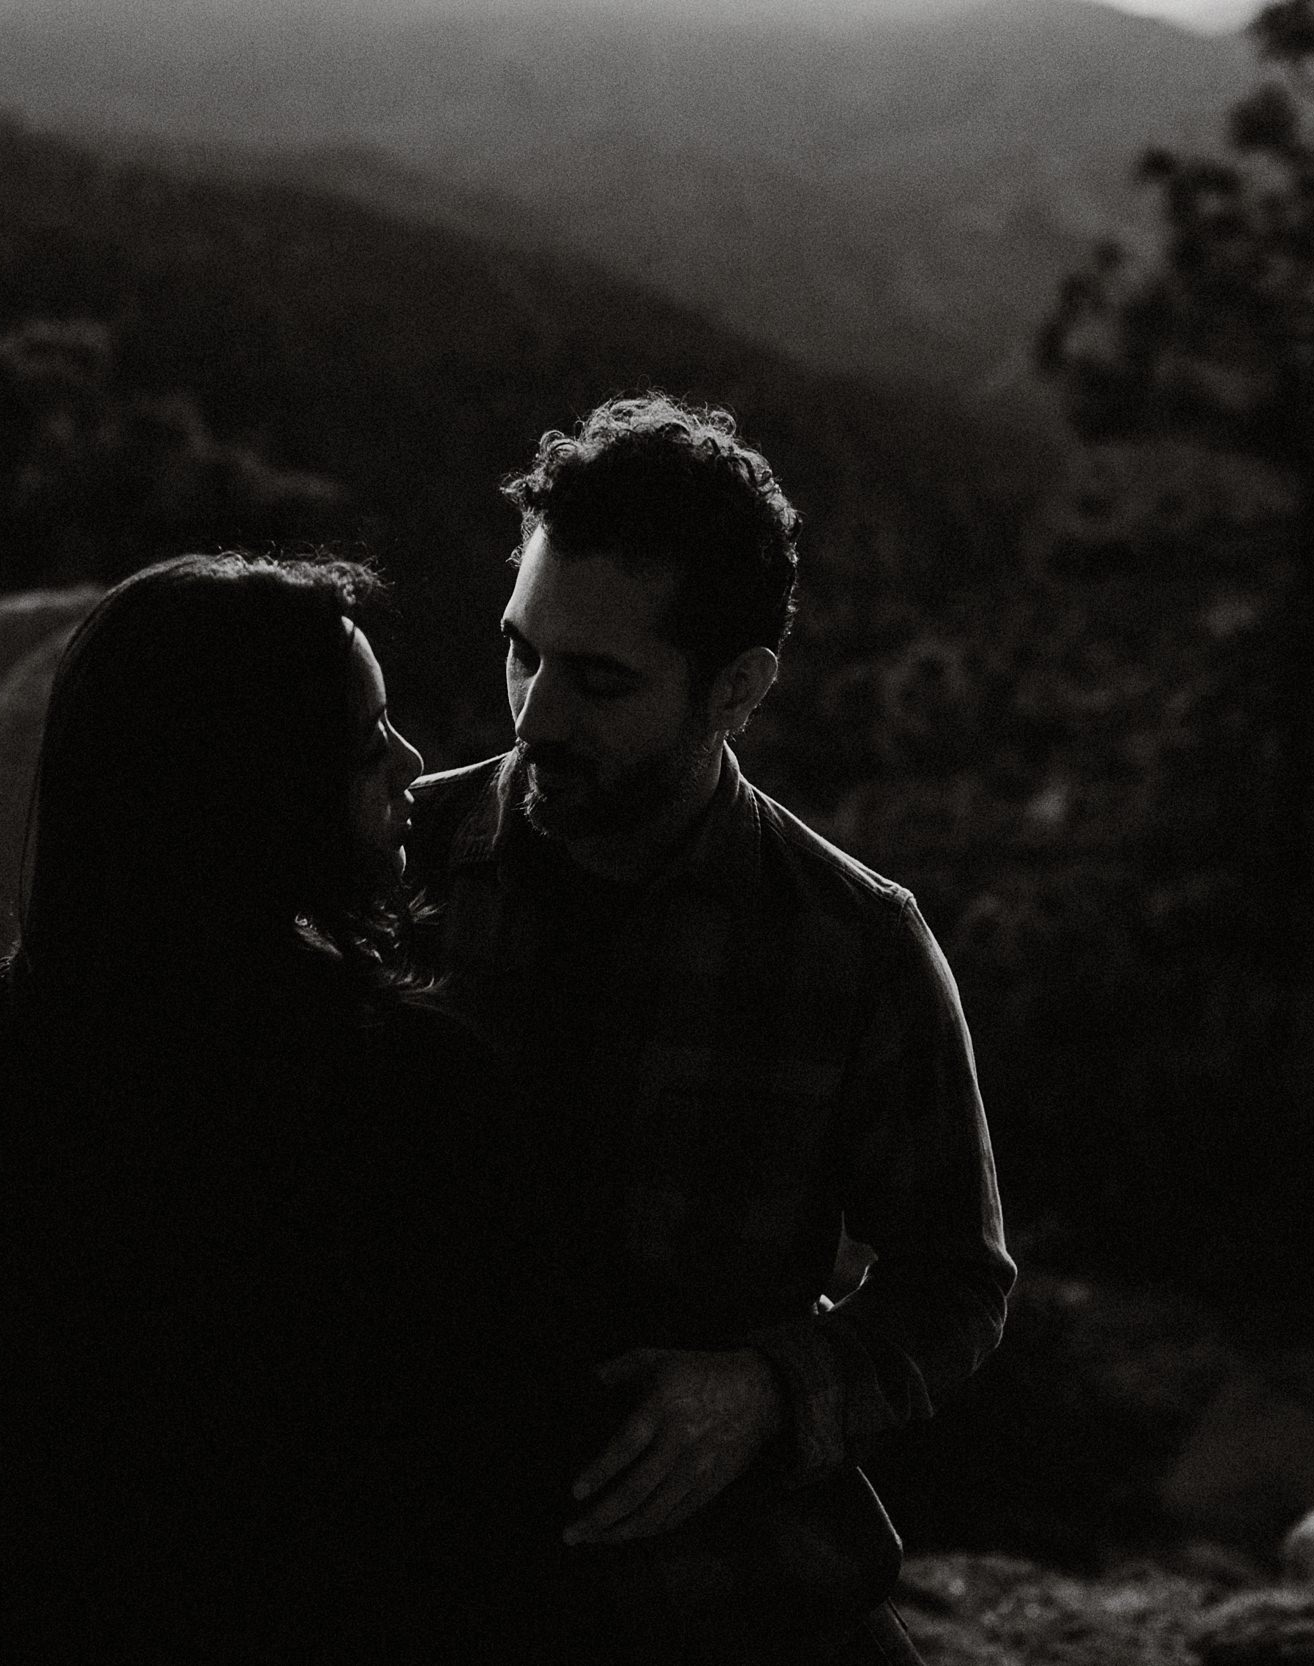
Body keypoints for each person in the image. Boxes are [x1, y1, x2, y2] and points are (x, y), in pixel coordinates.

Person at [0, 553, 581, 1663]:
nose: (408, 762)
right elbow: (502, 1470)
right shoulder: (420, 1093)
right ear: (257, 794)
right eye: (364, 738)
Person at [410, 395, 1016, 1664]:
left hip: (722, 1582)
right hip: (404, 1556)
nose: (529, 720)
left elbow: (953, 1285)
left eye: (599, 681)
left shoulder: (851, 945)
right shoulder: (393, 862)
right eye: (520, 649)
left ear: (736, 690)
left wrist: (764, 1393)